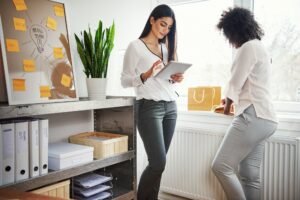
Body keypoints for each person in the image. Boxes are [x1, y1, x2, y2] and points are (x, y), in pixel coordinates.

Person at [211, 7, 278, 200]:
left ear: (234, 31)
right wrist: (231, 99)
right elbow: (253, 84)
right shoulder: (261, 47)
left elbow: (235, 81)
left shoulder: (247, 47)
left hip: (253, 117)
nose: (230, 41)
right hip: (268, 120)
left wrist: (226, 107)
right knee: (250, 175)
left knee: (220, 166)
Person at [121, 4, 183, 200]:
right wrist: (145, 75)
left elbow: (165, 79)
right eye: (162, 24)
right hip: (149, 107)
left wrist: (175, 78)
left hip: (171, 106)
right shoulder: (135, 46)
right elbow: (124, 80)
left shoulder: (166, 48)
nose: (165, 30)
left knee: (158, 164)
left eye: (169, 27)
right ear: (152, 20)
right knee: (158, 163)